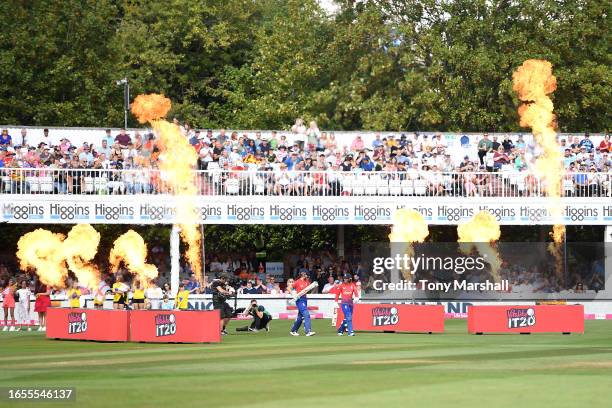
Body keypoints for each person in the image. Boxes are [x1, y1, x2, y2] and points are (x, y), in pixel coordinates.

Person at [289, 271, 316, 336]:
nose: (307, 276)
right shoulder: (297, 282)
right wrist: (293, 294)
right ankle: (308, 331)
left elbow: (310, 289)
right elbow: (289, 288)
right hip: (299, 300)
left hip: (304, 300)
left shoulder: (307, 281)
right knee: (306, 314)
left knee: (300, 316)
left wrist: (315, 286)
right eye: (306, 275)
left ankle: (293, 330)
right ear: (303, 274)